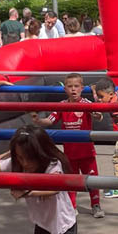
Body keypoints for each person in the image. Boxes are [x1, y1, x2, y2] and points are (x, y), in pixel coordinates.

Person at [0, 126, 78, 234]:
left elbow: (55, 188)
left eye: (30, 158)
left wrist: (28, 192)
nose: (25, 163)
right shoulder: (17, 163)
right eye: (20, 157)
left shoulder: (52, 165)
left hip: (64, 228)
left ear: (41, 153)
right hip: (42, 226)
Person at [31, 72, 105, 219]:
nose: (73, 89)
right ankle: (72, 206)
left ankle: (95, 204)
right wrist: (38, 121)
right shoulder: (62, 106)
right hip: (70, 153)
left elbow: (99, 115)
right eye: (70, 86)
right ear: (65, 89)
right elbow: (50, 121)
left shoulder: (87, 104)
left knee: (92, 179)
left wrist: (97, 114)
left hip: (87, 152)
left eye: (76, 86)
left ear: (82, 88)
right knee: (71, 181)